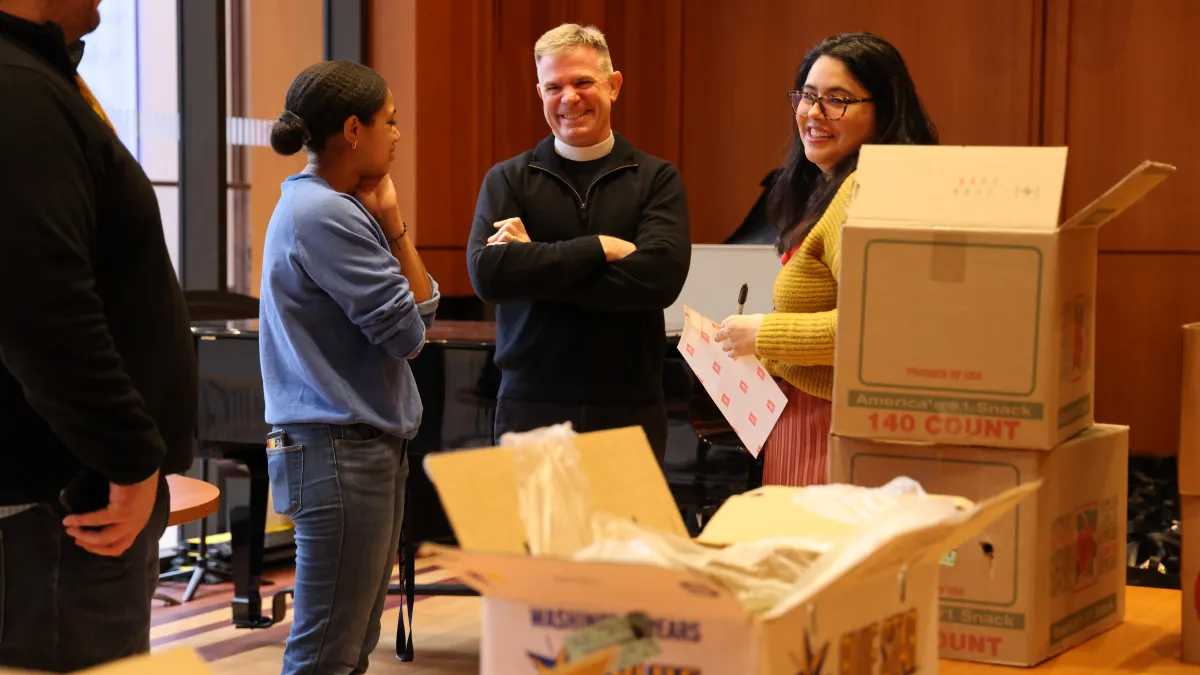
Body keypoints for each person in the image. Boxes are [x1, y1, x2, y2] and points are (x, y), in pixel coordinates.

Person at [0, 0, 196, 670]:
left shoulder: (32, 78)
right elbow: (36, 300)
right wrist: (128, 453)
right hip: (60, 506)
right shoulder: (18, 90)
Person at [259, 60, 439, 675]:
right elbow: (410, 333)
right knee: (325, 654)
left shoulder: (329, 204)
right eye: (391, 121)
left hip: (354, 447)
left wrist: (392, 226)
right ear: (355, 129)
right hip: (338, 451)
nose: (398, 134)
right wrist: (394, 231)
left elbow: (419, 310)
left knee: (353, 643)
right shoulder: (325, 213)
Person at [714, 32, 937, 486]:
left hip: (835, 425)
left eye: (838, 100)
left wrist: (764, 333)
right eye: (808, 96)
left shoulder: (866, 188)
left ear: (885, 112)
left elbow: (877, 329)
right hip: (817, 416)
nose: (814, 113)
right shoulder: (834, 187)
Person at [466, 23, 691, 463]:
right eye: (555, 86)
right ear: (540, 93)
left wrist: (534, 262)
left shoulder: (657, 179)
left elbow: (660, 280)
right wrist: (601, 247)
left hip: (630, 404)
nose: (569, 98)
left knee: (626, 535)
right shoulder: (507, 180)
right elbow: (489, 277)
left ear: (614, 85)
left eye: (583, 82)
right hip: (530, 403)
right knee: (535, 536)